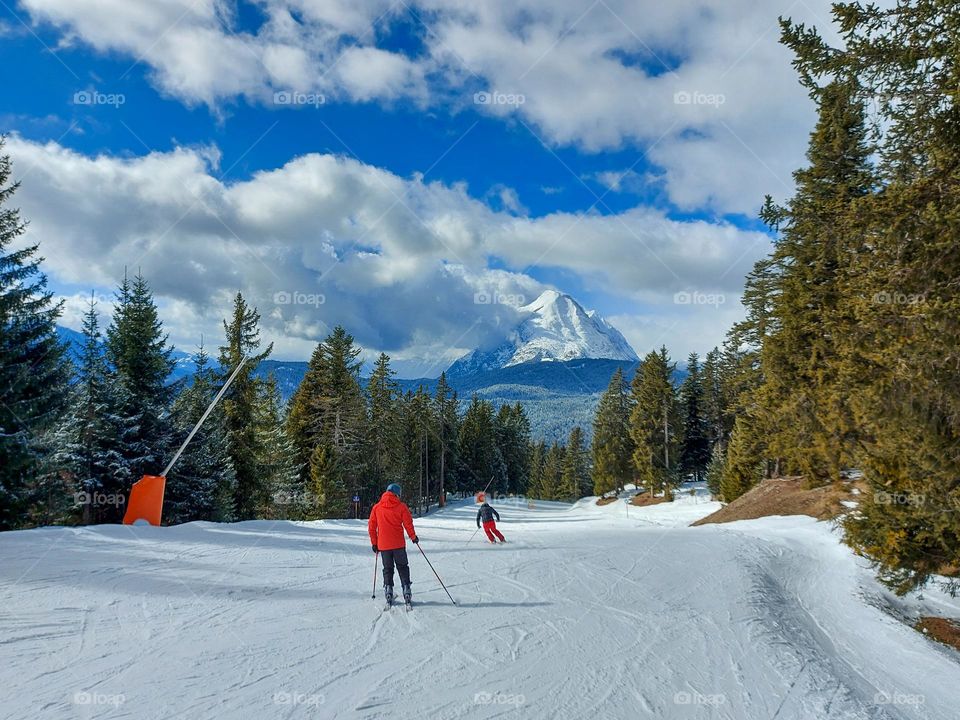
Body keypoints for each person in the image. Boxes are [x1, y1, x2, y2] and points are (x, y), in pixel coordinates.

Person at [368, 483, 418, 605]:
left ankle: (388, 590)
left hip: (383, 545)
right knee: (402, 567)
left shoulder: (377, 507)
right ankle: (406, 589)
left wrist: (374, 543)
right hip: (398, 544)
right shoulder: (401, 507)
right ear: (396, 494)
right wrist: (413, 536)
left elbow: (371, 527)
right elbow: (408, 523)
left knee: (388, 569)